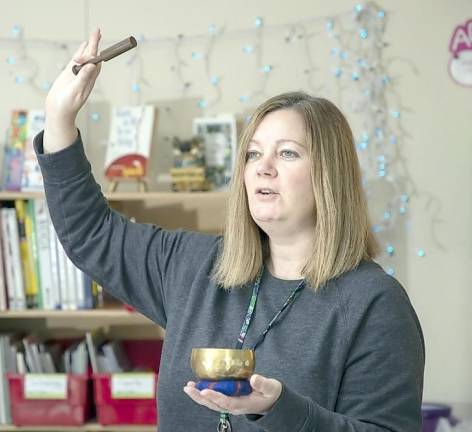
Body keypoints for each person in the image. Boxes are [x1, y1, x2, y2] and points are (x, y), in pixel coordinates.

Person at [34, 29, 425, 431]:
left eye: (287, 153)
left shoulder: (375, 303)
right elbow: (91, 233)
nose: (263, 167)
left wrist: (280, 411)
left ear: (331, 175)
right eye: (253, 153)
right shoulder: (192, 266)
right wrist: (59, 117)